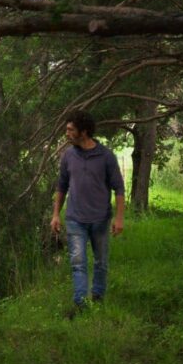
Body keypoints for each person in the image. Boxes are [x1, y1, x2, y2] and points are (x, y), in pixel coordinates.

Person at [50, 110, 126, 317]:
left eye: (70, 129)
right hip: (75, 219)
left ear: (83, 132)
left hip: (100, 219)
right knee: (78, 263)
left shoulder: (106, 156)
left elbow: (119, 189)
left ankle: (98, 298)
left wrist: (119, 219)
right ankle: (81, 304)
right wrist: (56, 214)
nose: (66, 133)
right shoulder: (68, 156)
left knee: (101, 262)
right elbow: (61, 186)